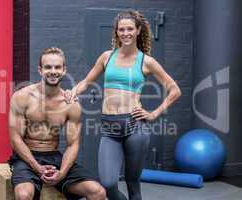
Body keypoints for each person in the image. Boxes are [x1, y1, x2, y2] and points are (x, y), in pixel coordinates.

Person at [65, 9, 182, 200]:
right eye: (121, 30)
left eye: (129, 29)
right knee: (109, 183)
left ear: (137, 31)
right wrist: (73, 91)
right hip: (109, 128)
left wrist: (153, 114)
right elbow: (86, 82)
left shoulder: (147, 62)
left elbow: (175, 90)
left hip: (135, 127)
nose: (125, 33)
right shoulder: (106, 57)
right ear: (116, 32)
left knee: (132, 184)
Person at [8, 47, 106, 200]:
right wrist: (37, 167)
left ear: (64, 70)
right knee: (23, 195)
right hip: (26, 158)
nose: (53, 71)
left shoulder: (71, 104)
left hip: (54, 157)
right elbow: (15, 139)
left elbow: (73, 144)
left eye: (57, 67)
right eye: (48, 67)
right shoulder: (22, 97)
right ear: (40, 70)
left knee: (98, 192)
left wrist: (62, 173)